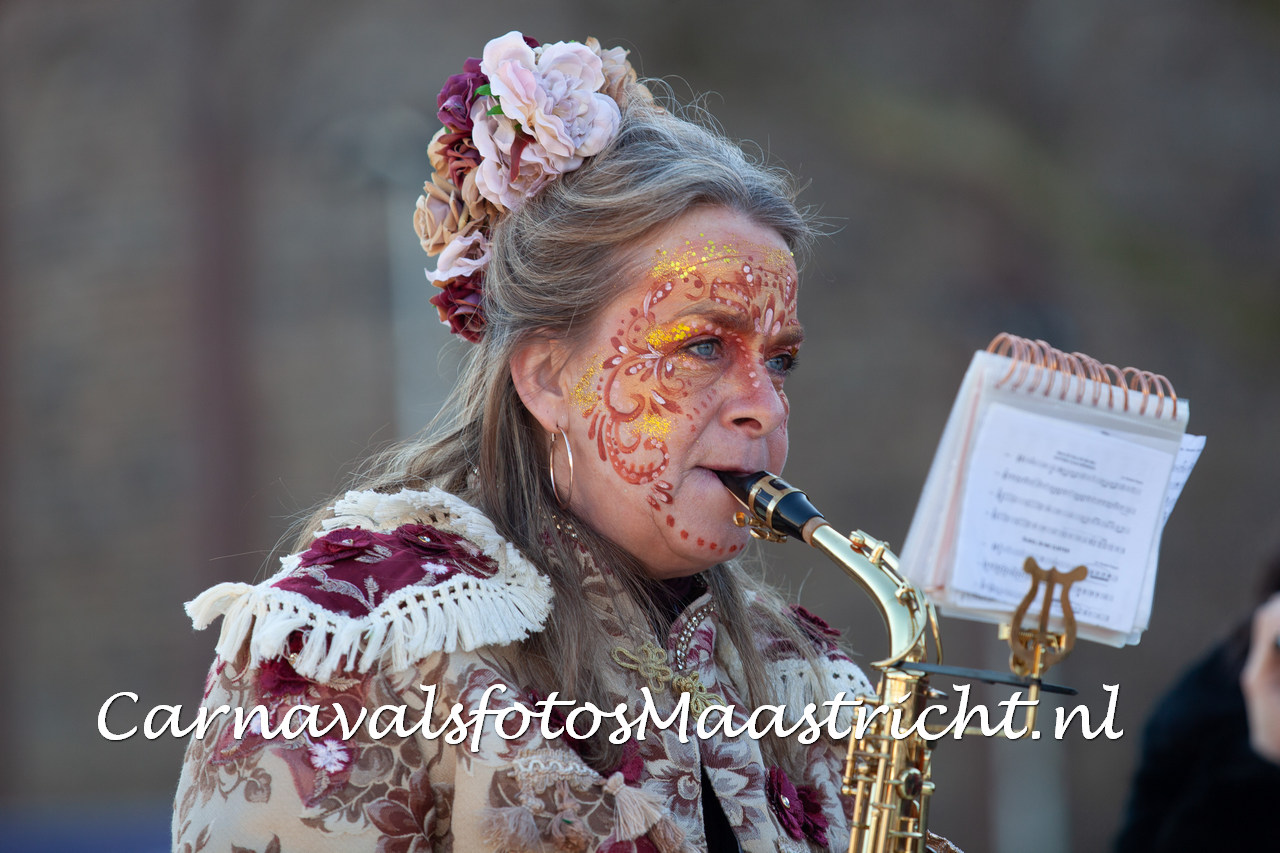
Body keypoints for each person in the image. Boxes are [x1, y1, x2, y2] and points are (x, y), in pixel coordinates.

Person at [173, 31, 958, 853]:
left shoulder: (804, 674)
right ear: (548, 378)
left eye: (781, 360)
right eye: (703, 346)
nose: (764, 406)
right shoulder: (363, 630)